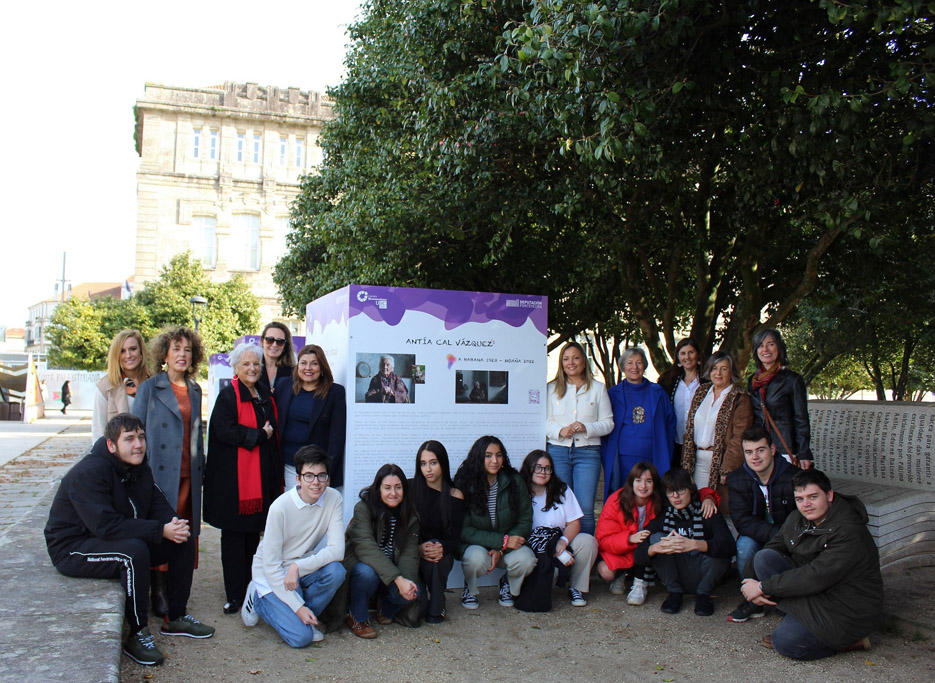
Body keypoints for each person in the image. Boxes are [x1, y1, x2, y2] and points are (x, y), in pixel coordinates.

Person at [45, 413, 214, 667]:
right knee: (133, 552)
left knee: (183, 538)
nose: (138, 444)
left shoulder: (137, 466)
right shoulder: (89, 472)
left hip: (105, 537)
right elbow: (105, 525)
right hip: (73, 548)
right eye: (130, 439)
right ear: (111, 445)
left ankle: (176, 616)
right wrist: (159, 530)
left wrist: (173, 524)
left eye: (141, 437)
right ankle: (137, 633)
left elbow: (157, 504)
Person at [742, 468, 882, 659]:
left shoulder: (849, 532)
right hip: (815, 591)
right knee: (764, 558)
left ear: (829, 495)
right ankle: (798, 620)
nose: (806, 504)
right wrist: (749, 583)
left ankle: (849, 640)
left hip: (845, 605)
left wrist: (761, 587)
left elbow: (816, 575)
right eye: (800, 499)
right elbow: (773, 546)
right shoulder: (798, 518)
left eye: (813, 497)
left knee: (785, 643)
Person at [204, 341, 283, 615]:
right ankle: (235, 594)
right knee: (234, 539)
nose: (252, 368)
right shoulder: (228, 396)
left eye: (256, 363)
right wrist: (259, 435)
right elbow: (224, 431)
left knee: (254, 536)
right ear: (236, 367)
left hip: (262, 479)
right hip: (235, 485)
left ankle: (252, 587)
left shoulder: (263, 391)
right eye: (247, 364)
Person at [132, 326, 205, 619]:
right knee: (165, 530)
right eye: (176, 349)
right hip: (160, 474)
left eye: (187, 350)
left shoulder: (196, 389)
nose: (182, 355)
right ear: (165, 354)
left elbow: (197, 433)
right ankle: (158, 591)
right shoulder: (151, 387)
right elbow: (135, 429)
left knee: (185, 534)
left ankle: (178, 591)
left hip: (190, 473)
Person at [240, 445, 346, 647]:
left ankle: (304, 617)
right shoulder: (280, 508)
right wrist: (297, 607)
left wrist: (298, 567)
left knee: (336, 571)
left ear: (328, 478)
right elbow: (270, 566)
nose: (316, 483)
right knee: (301, 638)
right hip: (272, 573)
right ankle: (257, 596)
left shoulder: (334, 498)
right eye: (309, 476)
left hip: (298, 568)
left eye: (321, 476)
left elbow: (337, 551)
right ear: (298, 479)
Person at [634, 468, 735, 616]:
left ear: (690, 489)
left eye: (680, 490)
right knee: (656, 539)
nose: (675, 496)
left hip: (704, 573)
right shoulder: (663, 516)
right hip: (676, 573)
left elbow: (730, 546)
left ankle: (703, 595)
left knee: (718, 547)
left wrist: (697, 544)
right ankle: (674, 593)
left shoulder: (706, 510)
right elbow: (638, 555)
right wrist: (655, 548)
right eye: (670, 492)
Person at [453, 435, 536, 610]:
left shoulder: (514, 480)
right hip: (477, 545)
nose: (494, 461)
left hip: (508, 544)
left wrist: (502, 547)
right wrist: (501, 541)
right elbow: (463, 529)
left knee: (527, 559)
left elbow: (525, 519)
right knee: (474, 559)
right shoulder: (464, 483)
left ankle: (507, 584)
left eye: (498, 455)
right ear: (478, 457)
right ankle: (470, 588)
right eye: (488, 455)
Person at [725, 426, 797, 623]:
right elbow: (742, 522)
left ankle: (790, 597)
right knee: (744, 545)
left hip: (788, 535)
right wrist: (775, 534)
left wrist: (783, 536)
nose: (754, 457)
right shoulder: (736, 479)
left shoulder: (793, 477)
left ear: (772, 449)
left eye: (760, 450)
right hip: (764, 534)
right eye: (749, 452)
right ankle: (753, 601)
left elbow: (799, 517)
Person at [344, 464, 421, 638]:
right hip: (364, 565)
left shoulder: (410, 512)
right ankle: (358, 617)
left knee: (414, 591)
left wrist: (406, 584)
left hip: (391, 569)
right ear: (378, 488)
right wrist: (397, 579)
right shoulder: (363, 508)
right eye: (387, 488)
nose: (393, 493)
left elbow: (409, 553)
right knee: (366, 572)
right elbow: (366, 548)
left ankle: (384, 607)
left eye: (398, 487)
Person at [545, 340, 613, 535]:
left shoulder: (598, 388)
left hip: (588, 453)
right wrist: (559, 431)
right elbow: (543, 422)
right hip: (558, 452)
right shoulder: (551, 389)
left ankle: (586, 553)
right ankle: (562, 552)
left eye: (575, 358)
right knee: (561, 506)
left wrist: (586, 427)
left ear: (584, 361)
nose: (571, 363)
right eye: (566, 359)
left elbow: (608, 423)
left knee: (585, 509)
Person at [518, 449, 598, 609]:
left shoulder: (562, 490)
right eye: (538, 467)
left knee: (588, 541)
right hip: (532, 546)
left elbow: (575, 523)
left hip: (558, 540)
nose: (543, 472)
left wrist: (563, 541)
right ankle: (510, 584)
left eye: (547, 468)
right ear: (529, 468)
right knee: (549, 573)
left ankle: (577, 588)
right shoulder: (519, 491)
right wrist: (552, 547)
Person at [601, 347, 675, 499]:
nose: (634, 367)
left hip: (653, 457)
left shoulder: (658, 392)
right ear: (623, 367)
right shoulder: (613, 394)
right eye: (629, 363)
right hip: (622, 459)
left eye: (639, 363)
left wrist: (666, 451)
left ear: (644, 365)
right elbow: (604, 425)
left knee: (652, 499)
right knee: (623, 498)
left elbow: (670, 423)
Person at [681, 350, 753, 501]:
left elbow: (739, 436)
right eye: (714, 368)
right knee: (698, 505)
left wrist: (728, 468)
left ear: (731, 372)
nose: (718, 373)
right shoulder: (701, 392)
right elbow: (689, 430)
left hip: (721, 461)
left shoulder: (739, 397)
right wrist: (686, 464)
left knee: (719, 507)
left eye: (724, 369)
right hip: (698, 460)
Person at [275, 344, 347, 489]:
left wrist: (326, 473)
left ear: (322, 368)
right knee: (295, 508)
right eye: (303, 363)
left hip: (318, 469)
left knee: (317, 509)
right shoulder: (284, 386)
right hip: (289, 465)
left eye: (314, 363)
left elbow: (337, 437)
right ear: (298, 366)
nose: (308, 368)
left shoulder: (335, 393)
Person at [409, 440, 464, 624]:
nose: (428, 469)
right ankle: (426, 602)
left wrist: (440, 546)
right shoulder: (410, 489)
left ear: (443, 463)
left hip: (441, 553)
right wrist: (419, 548)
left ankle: (437, 608)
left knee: (435, 560)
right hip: (413, 553)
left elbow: (455, 537)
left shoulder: (455, 494)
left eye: (433, 462)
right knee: (418, 611)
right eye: (423, 464)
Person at [595, 462, 665, 606]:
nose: (643, 486)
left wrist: (709, 497)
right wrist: (629, 538)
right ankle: (620, 575)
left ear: (655, 484)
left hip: (645, 551)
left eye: (649, 481)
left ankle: (640, 584)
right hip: (621, 549)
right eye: (638, 480)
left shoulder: (660, 500)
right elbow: (603, 539)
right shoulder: (616, 500)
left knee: (655, 539)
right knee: (606, 571)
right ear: (631, 482)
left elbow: (689, 492)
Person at [747, 328, 813, 469]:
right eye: (760, 345)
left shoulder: (793, 380)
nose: (765, 349)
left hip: (785, 448)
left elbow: (801, 419)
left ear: (779, 347)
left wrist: (804, 452)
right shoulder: (752, 381)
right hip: (760, 448)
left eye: (770, 344)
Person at [92, 329, 151, 442]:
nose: (128, 355)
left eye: (133, 349)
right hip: (118, 456)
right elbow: (98, 431)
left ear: (141, 352)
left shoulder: (155, 382)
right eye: (122, 351)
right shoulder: (105, 387)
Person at [657, 338, 704, 468]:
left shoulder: (707, 381)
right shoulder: (668, 380)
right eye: (683, 353)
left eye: (691, 352)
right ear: (677, 357)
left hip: (700, 444)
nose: (687, 357)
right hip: (674, 441)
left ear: (698, 355)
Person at [257, 322, 296, 397]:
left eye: (280, 342)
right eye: (270, 340)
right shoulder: (252, 368)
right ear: (262, 341)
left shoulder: (293, 373)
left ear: (285, 345)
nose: (274, 345)